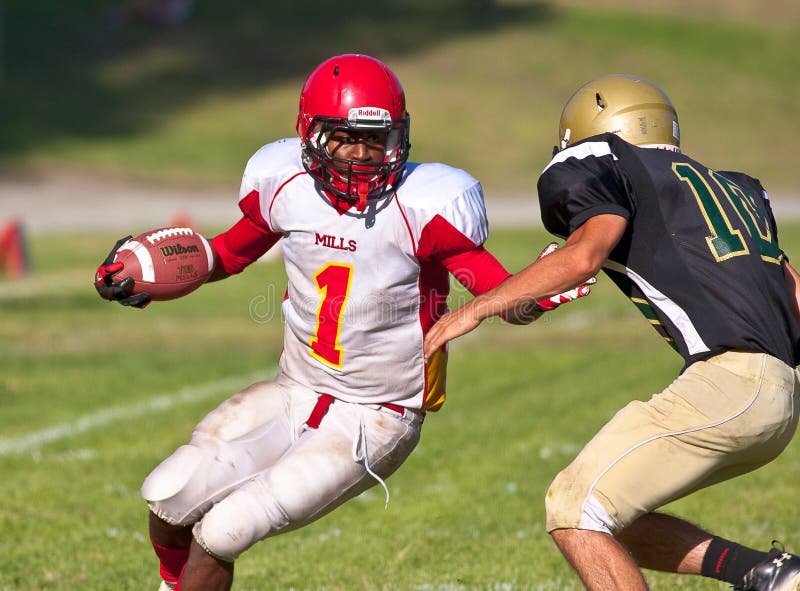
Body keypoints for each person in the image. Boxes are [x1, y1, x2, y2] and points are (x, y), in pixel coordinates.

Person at [94, 54, 591, 591]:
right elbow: (228, 255)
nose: (361, 154)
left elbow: (496, 290)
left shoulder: (422, 206)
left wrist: (536, 296)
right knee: (170, 493)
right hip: (295, 389)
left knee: (224, 531)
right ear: (309, 134)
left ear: (398, 139)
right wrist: (151, 277)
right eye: (345, 137)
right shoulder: (285, 186)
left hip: (377, 414)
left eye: (375, 140)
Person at [423, 74, 800, 590]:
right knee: (614, 513)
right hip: (777, 399)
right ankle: (768, 575)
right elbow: (794, 300)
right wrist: (525, 300)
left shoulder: (605, 160)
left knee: (574, 507)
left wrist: (478, 308)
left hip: (728, 383)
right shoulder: (737, 189)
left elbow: (585, 254)